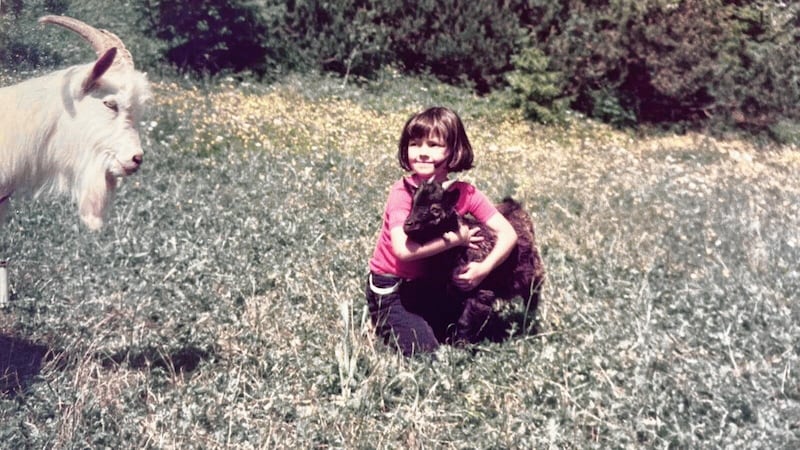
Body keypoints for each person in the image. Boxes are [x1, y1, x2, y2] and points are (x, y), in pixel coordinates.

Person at [365, 106, 518, 356]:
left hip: (429, 285)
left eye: (434, 145)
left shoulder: (464, 192)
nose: (423, 153)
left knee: (454, 332)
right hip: (391, 286)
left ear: (454, 151)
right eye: (415, 144)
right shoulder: (404, 191)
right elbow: (403, 250)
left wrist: (483, 269)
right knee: (427, 353)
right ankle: (384, 318)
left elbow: (508, 233)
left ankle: (415, 320)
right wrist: (459, 238)